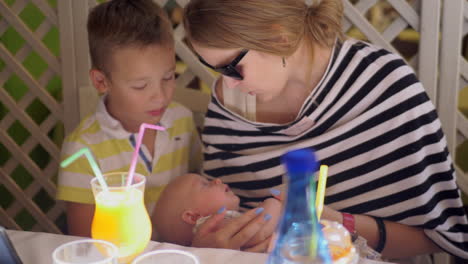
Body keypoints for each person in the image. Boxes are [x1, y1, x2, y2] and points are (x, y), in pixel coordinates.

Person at [183, 0, 468, 260]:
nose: (227, 83)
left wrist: (329, 223)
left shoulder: (383, 85)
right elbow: (220, 220)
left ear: (277, 36)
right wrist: (216, 243)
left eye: (232, 68)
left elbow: (438, 237)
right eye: (218, 70)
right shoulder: (229, 103)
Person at [56, 0, 202, 237]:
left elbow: (199, 183)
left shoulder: (181, 120)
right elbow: (84, 237)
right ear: (101, 82)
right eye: (140, 85)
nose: (160, 96)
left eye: (168, 77)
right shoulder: (83, 148)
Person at [152, 173, 280, 250]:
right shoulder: (213, 228)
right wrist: (273, 203)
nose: (217, 180)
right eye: (205, 185)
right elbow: (259, 232)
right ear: (194, 217)